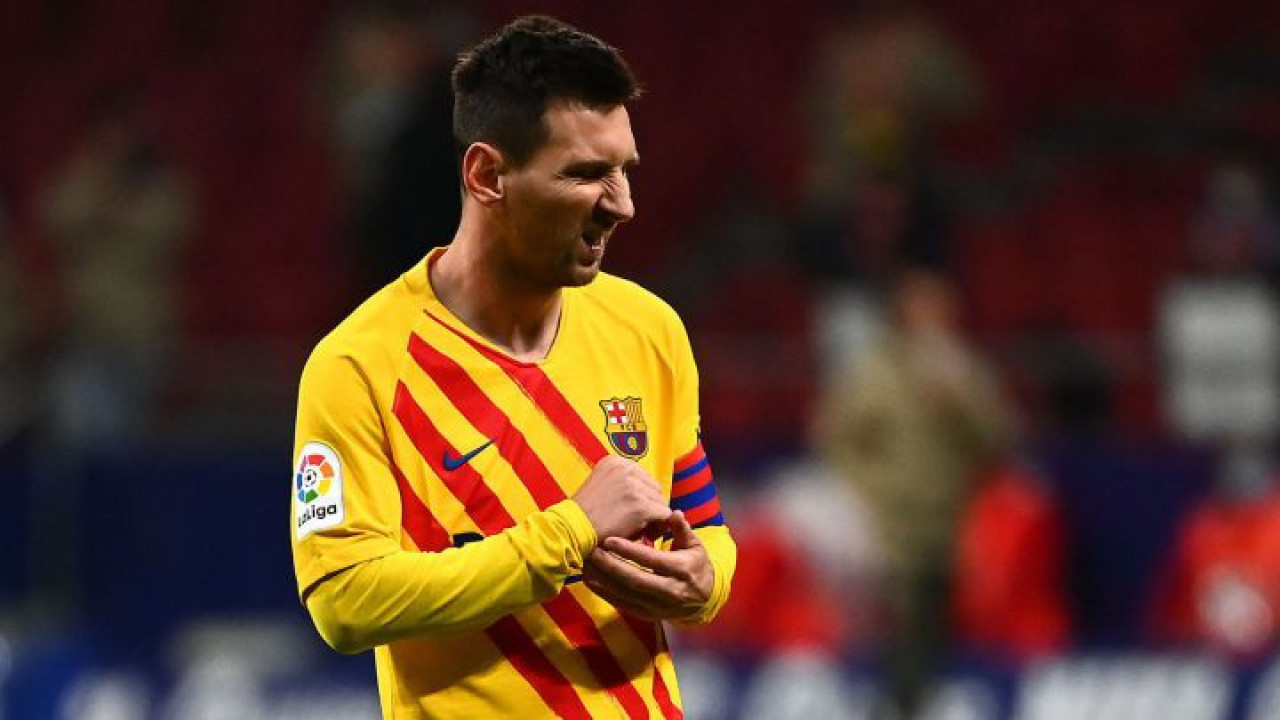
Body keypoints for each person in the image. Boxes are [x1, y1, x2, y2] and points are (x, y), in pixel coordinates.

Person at [290, 15, 736, 719]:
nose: (623, 205)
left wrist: (704, 582)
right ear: (487, 175)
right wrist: (568, 533)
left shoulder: (648, 330)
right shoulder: (359, 365)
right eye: (585, 174)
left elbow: (706, 528)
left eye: (624, 170)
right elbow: (345, 601)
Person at [813, 270, 1008, 719]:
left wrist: (959, 401)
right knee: (890, 622)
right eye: (922, 309)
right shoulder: (874, 372)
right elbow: (835, 438)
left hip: (949, 520)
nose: (932, 319)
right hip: (886, 523)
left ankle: (917, 704)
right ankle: (883, 705)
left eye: (940, 310)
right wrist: (869, 487)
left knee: (932, 624)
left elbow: (998, 439)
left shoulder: (964, 369)